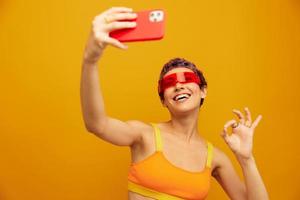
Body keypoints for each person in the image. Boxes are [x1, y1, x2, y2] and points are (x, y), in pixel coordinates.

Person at [80, 7, 269, 200]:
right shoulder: (143, 135)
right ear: (163, 100)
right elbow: (97, 124)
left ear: (203, 90)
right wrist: (90, 60)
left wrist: (246, 159)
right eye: (169, 83)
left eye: (187, 78)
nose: (179, 85)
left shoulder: (215, 158)